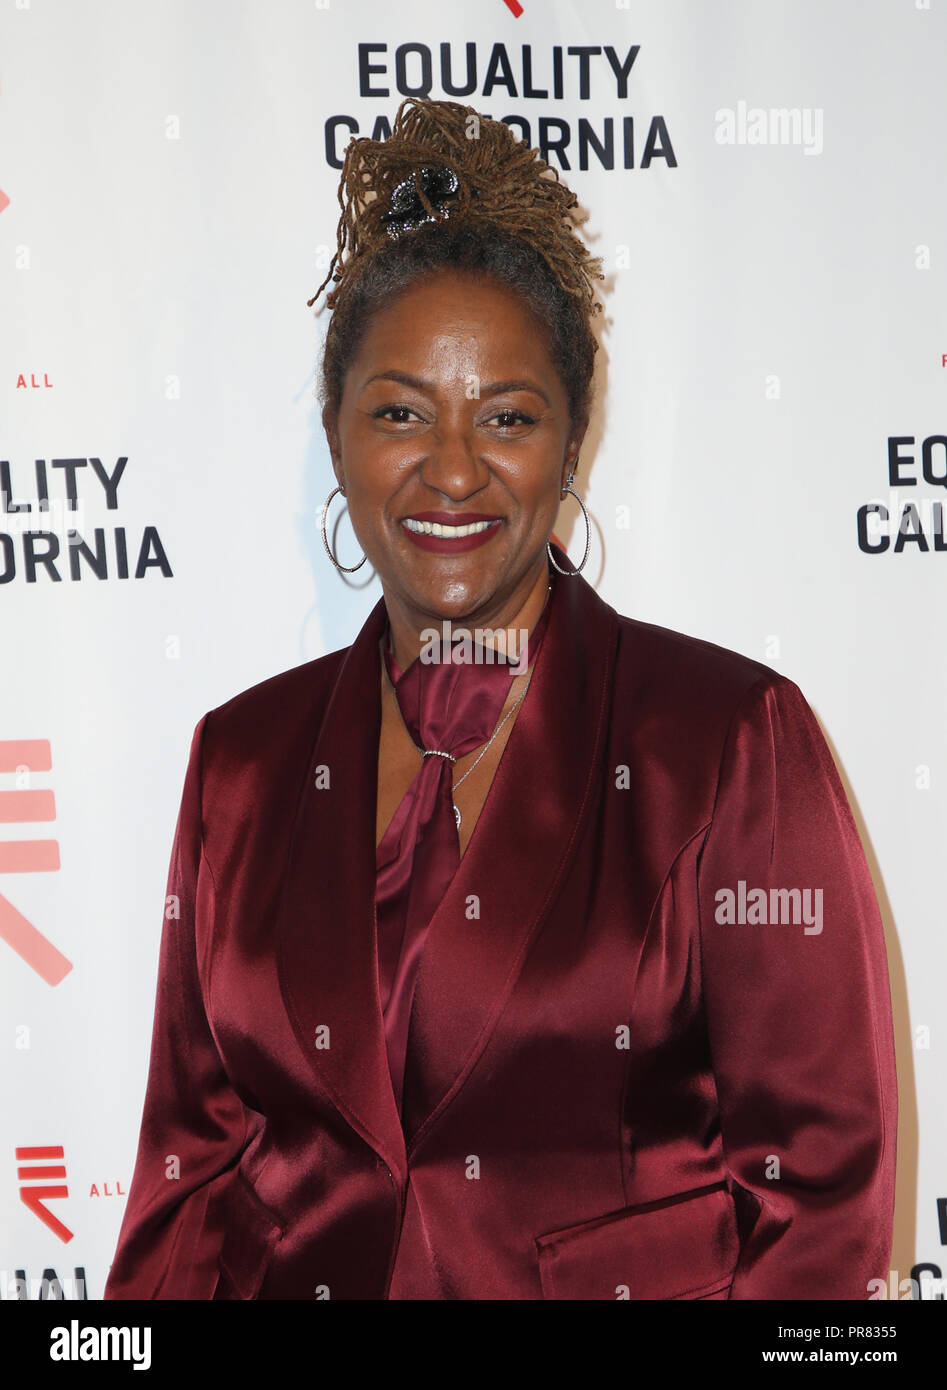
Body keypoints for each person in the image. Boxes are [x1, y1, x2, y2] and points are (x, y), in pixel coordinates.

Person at [103, 96, 897, 1301]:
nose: (455, 467)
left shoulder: (724, 741)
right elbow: (191, 1167)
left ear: (574, 441)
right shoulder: (245, 759)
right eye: (400, 412)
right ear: (337, 434)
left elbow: (820, 1203)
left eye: (508, 417)